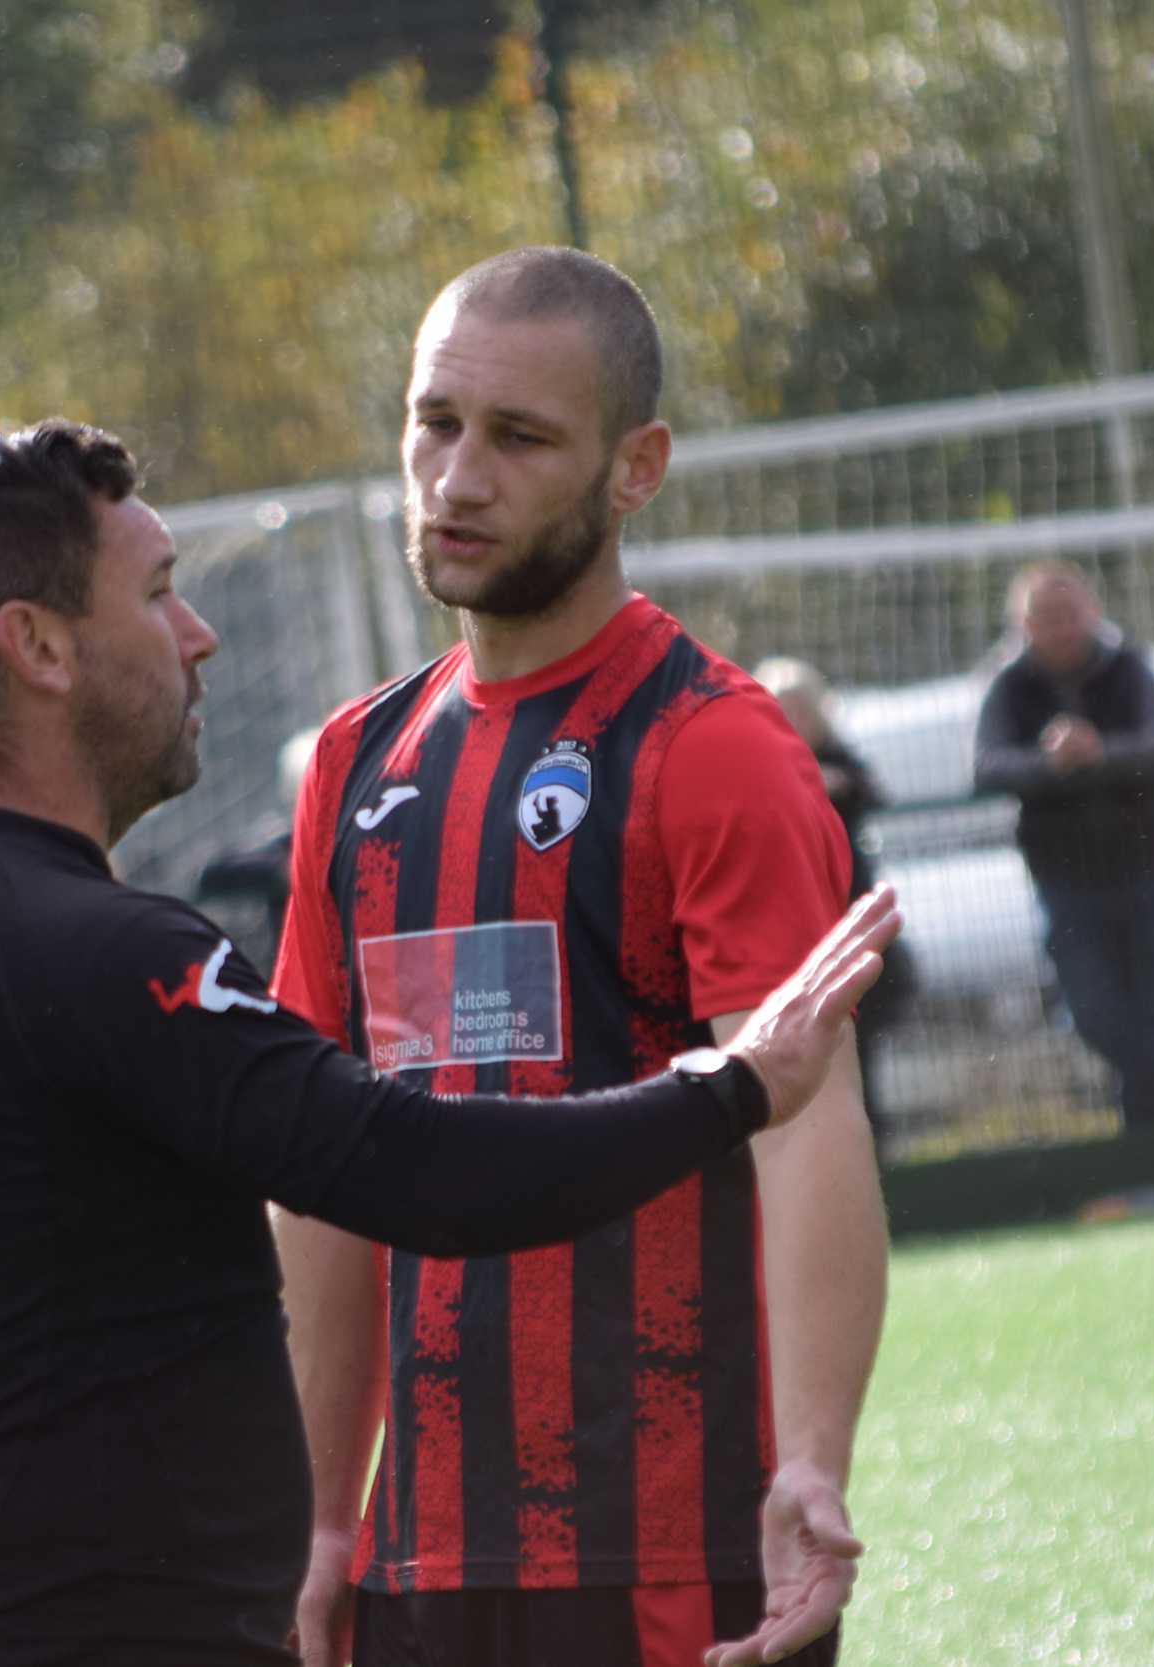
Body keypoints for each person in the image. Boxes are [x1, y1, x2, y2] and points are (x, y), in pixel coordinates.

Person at [0, 419, 901, 1666]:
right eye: (158, 592)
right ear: (38, 645)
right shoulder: (97, 949)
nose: (197, 633)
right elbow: (406, 1162)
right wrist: (731, 1086)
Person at [269, 249, 884, 1667]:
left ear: (636, 466)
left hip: (671, 1544)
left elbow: (805, 1123)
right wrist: (315, 1514)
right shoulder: (357, 765)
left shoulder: (709, 744)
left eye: (520, 436)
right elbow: (321, 1174)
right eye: (435, 423)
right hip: (419, 1551)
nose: (458, 477)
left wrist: (813, 1459)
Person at [973, 561, 1154, 1132]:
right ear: (1021, 626)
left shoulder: (1129, 669)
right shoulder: (1009, 686)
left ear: (1092, 613)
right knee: (1095, 1016)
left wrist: (1101, 753)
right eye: (1044, 618)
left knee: (1150, 1016)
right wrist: (1048, 765)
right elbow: (986, 765)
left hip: (1143, 868)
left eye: (1068, 613)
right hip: (1065, 882)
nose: (1059, 628)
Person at [757, 656, 915, 1127]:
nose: (794, 725)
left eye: (801, 712)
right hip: (793, 945)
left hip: (850, 935)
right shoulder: (758, 772)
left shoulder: (844, 767)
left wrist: (832, 783)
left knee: (861, 1067)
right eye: (782, 713)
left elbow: (870, 793)